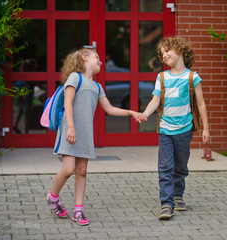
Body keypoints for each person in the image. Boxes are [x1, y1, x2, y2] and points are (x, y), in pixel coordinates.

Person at [46, 48, 142, 226]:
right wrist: (71, 127)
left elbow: (110, 109)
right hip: (70, 130)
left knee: (81, 172)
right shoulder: (76, 77)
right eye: (96, 57)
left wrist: (130, 112)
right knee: (68, 170)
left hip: (85, 134)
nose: (100, 61)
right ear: (84, 58)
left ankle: (78, 210)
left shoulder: (97, 86)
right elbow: (67, 101)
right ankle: (53, 197)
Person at [137, 36, 210, 220]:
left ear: (181, 51)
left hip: (184, 130)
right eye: (162, 53)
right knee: (165, 167)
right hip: (165, 130)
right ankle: (167, 204)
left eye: (168, 51)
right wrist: (145, 113)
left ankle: (178, 194)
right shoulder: (162, 77)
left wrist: (206, 128)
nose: (164, 55)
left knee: (180, 167)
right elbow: (155, 100)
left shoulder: (192, 77)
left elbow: (200, 104)